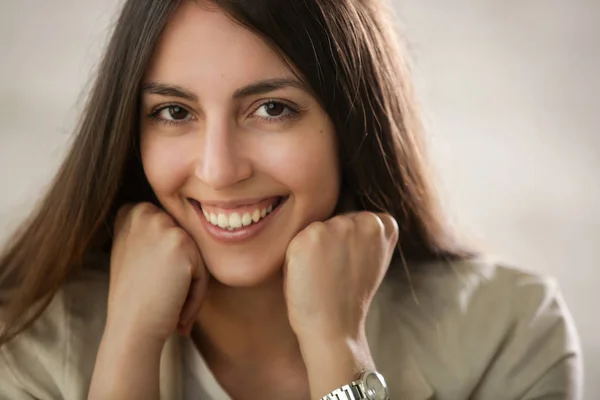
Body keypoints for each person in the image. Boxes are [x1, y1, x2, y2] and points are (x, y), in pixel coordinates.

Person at [0, 0, 583, 399]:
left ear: (353, 122)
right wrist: (128, 343)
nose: (219, 170)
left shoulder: (512, 332)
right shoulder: (27, 338)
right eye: (175, 112)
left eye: (272, 108)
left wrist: (339, 349)